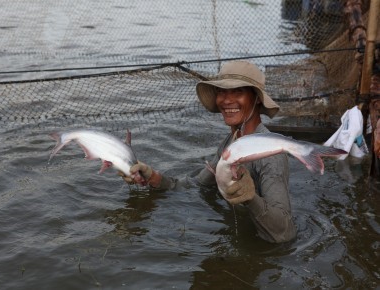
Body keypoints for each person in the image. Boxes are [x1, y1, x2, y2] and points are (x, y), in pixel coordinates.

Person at [122, 61, 297, 243]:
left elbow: (284, 232)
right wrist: (150, 175)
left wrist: (250, 198)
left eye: (238, 91)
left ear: (257, 98)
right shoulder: (229, 145)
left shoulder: (271, 153)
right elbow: (195, 184)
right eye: (221, 92)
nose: (227, 100)